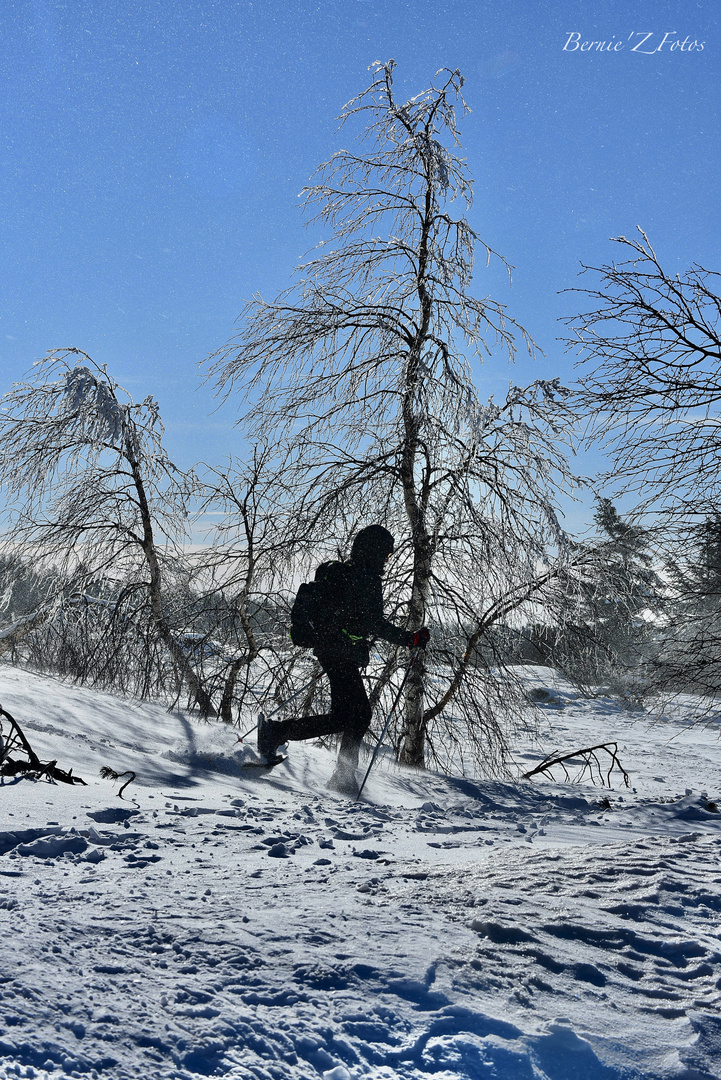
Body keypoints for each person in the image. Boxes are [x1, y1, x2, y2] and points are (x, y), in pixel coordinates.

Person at [258, 525, 429, 794]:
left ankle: (339, 773)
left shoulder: (348, 572)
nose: (386, 560)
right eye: (385, 554)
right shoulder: (366, 577)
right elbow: (375, 622)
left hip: (333, 650)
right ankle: (280, 736)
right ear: (373, 551)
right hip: (339, 653)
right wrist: (410, 639)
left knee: (350, 716)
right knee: (357, 715)